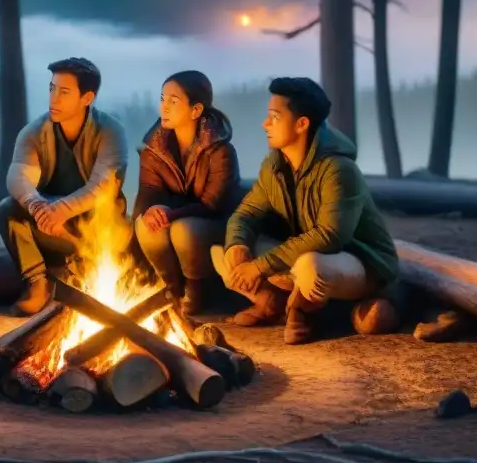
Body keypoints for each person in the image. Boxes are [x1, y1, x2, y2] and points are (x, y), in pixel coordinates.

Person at [211, 77, 401, 345]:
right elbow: (246, 214)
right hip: (300, 256)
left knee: (310, 266)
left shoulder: (338, 170)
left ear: (301, 124)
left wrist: (260, 266)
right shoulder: (274, 166)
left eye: (274, 117)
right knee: (224, 254)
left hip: (357, 263)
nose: (265, 124)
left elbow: (329, 236)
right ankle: (272, 301)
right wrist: (238, 246)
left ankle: (301, 311)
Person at [0, 57, 128, 316]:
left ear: (87, 98)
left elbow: (103, 186)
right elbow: (19, 174)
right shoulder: (35, 131)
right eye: (51, 88)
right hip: (48, 222)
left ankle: (83, 274)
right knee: (7, 208)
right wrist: (37, 206)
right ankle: (37, 283)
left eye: (64, 92)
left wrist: (63, 210)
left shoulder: (111, 131)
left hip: (95, 228)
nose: (54, 98)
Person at [133, 71, 241, 317]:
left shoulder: (220, 150)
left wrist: (172, 213)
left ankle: (197, 289)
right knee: (146, 226)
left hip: (215, 223)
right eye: (163, 98)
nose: (164, 107)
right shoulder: (155, 149)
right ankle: (171, 290)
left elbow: (213, 203)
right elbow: (149, 191)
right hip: (174, 216)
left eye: (173, 100)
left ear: (195, 110)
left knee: (184, 231)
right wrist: (152, 210)